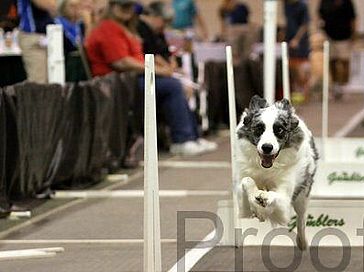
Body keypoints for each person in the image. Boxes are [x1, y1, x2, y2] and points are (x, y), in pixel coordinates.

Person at [85, 0, 216, 156]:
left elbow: (136, 58)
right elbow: (121, 62)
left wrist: (161, 69)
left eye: (130, 6)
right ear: (112, 6)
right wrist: (158, 70)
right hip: (118, 83)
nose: (127, 10)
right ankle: (182, 139)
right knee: (171, 85)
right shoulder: (107, 28)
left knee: (176, 84)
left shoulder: (126, 28)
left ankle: (192, 136)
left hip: (131, 79)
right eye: (123, 6)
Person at [318, 0, 356, 100]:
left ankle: (345, 86)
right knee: (332, 61)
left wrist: (353, 35)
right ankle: (335, 86)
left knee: (344, 61)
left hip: (344, 36)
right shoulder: (324, 2)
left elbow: (353, 19)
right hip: (329, 36)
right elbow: (320, 15)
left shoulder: (347, 2)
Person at [17, 0, 56, 83]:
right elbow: (48, 4)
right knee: (40, 84)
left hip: (53, 34)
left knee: (56, 81)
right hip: (34, 37)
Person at [55, 0, 92, 82]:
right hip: (67, 64)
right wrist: (88, 24)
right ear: (63, 8)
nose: (76, 9)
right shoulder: (57, 25)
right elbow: (72, 46)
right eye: (72, 6)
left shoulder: (81, 25)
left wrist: (88, 25)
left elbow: (90, 45)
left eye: (79, 6)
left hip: (81, 66)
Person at [284, 0, 310, 104]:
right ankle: (295, 91)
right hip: (289, 40)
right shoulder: (286, 4)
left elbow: (304, 25)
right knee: (291, 67)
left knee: (301, 68)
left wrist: (297, 39)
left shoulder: (302, 6)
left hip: (300, 42)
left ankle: (304, 92)